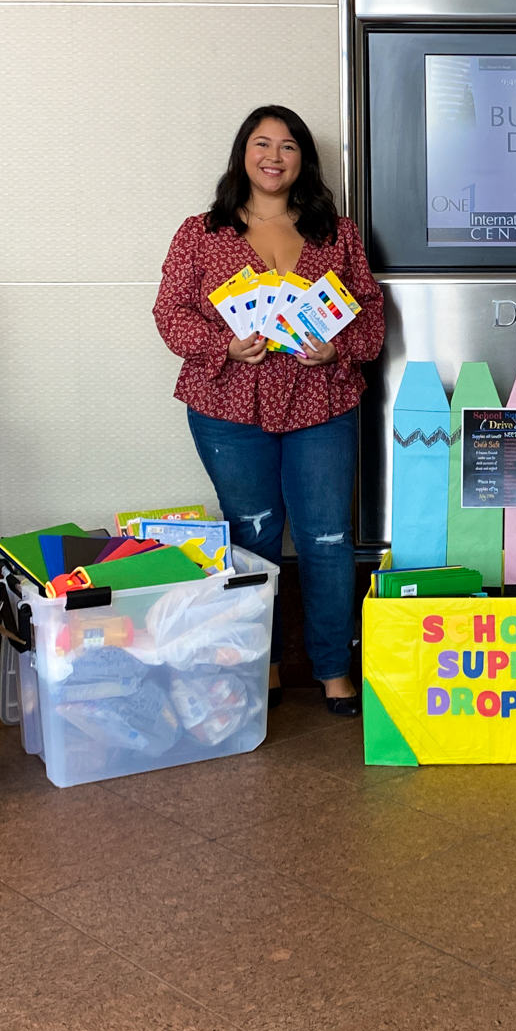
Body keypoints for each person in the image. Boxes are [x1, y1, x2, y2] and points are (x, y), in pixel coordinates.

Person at [153, 105, 384, 717]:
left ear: (303, 159)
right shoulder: (201, 233)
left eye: (288, 146)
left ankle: (334, 668)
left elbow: (372, 318)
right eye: (262, 144)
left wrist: (338, 347)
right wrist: (222, 345)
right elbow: (170, 314)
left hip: (323, 402)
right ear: (243, 154)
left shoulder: (337, 233)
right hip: (229, 406)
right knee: (252, 536)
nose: (274, 157)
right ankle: (264, 662)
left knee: (328, 537)